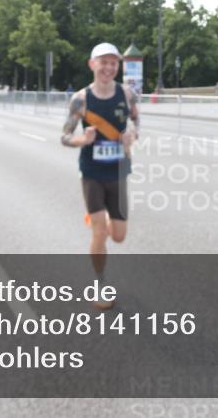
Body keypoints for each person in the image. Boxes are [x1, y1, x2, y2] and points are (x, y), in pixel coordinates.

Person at [60, 43, 140, 310]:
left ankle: (104, 218)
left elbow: (136, 122)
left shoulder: (128, 94)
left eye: (113, 63)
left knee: (118, 236)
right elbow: (65, 137)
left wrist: (132, 135)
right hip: (92, 172)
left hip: (118, 170)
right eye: (103, 62)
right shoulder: (80, 100)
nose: (108, 68)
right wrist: (84, 138)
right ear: (92, 64)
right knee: (98, 233)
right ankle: (100, 283)